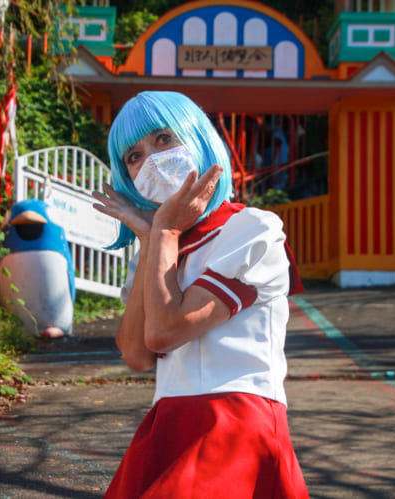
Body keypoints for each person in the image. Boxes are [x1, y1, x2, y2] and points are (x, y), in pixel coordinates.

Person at [92, 91, 308, 498]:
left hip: (235, 423)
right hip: (168, 421)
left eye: (162, 138)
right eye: (133, 157)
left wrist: (165, 232)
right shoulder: (159, 247)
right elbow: (136, 355)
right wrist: (151, 235)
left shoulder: (253, 229)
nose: (150, 160)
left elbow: (165, 333)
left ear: (198, 137)